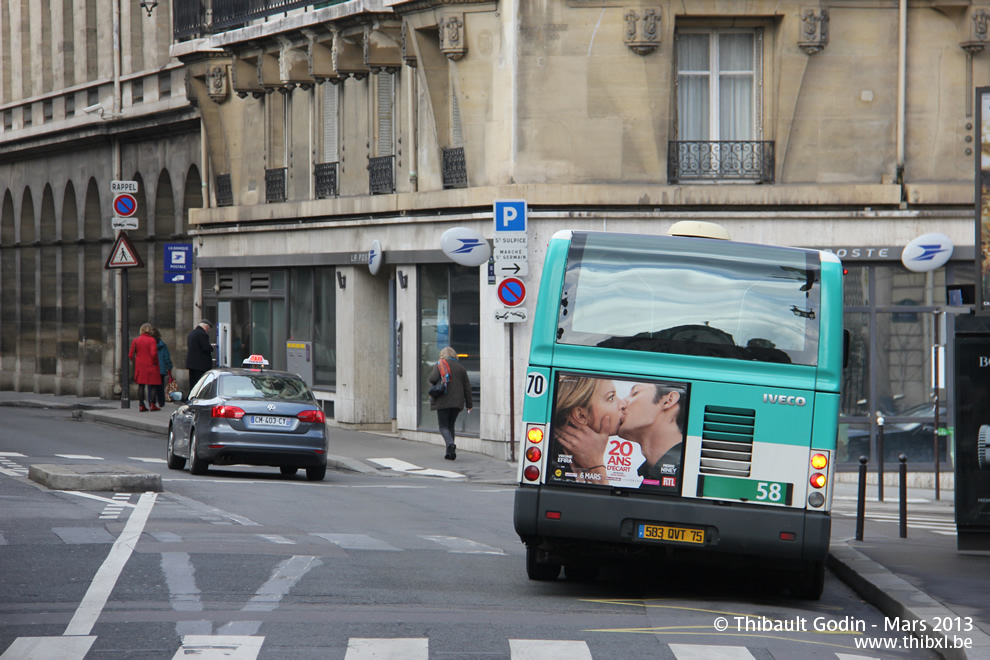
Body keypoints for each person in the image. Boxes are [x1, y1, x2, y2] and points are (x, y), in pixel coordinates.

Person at [552, 375, 626, 484]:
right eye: (611, 397)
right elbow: (602, 501)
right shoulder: (553, 466)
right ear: (581, 415)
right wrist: (596, 466)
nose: (623, 404)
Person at [619, 382, 688, 489]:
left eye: (635, 393)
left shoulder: (686, 475)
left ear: (668, 400)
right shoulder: (651, 474)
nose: (622, 403)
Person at [428, 346, 473, 460]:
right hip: (457, 402)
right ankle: (450, 453)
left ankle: (450, 444)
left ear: (443, 355)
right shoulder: (461, 368)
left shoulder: (440, 365)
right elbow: (467, 387)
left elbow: (433, 379)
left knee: (443, 426)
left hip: (444, 400)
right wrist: (469, 404)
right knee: (450, 425)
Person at [128, 323, 161, 412]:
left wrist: (136, 361)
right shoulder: (152, 340)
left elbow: (131, 354)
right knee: (154, 385)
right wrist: (154, 362)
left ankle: (141, 405)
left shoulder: (136, 340)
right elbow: (153, 353)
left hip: (140, 366)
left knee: (141, 385)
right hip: (151, 366)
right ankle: (152, 404)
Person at [186, 319, 214, 392]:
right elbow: (205, 347)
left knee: (193, 384)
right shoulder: (202, 334)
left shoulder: (192, 333)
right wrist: (211, 347)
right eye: (209, 328)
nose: (208, 330)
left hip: (192, 364)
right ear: (206, 327)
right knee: (200, 384)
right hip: (200, 365)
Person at [152, 327, 173, 407]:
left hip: (152, 368)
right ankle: (161, 402)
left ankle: (152, 401)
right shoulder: (163, 345)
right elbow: (166, 357)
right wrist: (169, 367)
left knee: (151, 386)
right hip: (161, 368)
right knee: (160, 386)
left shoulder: (149, 345)